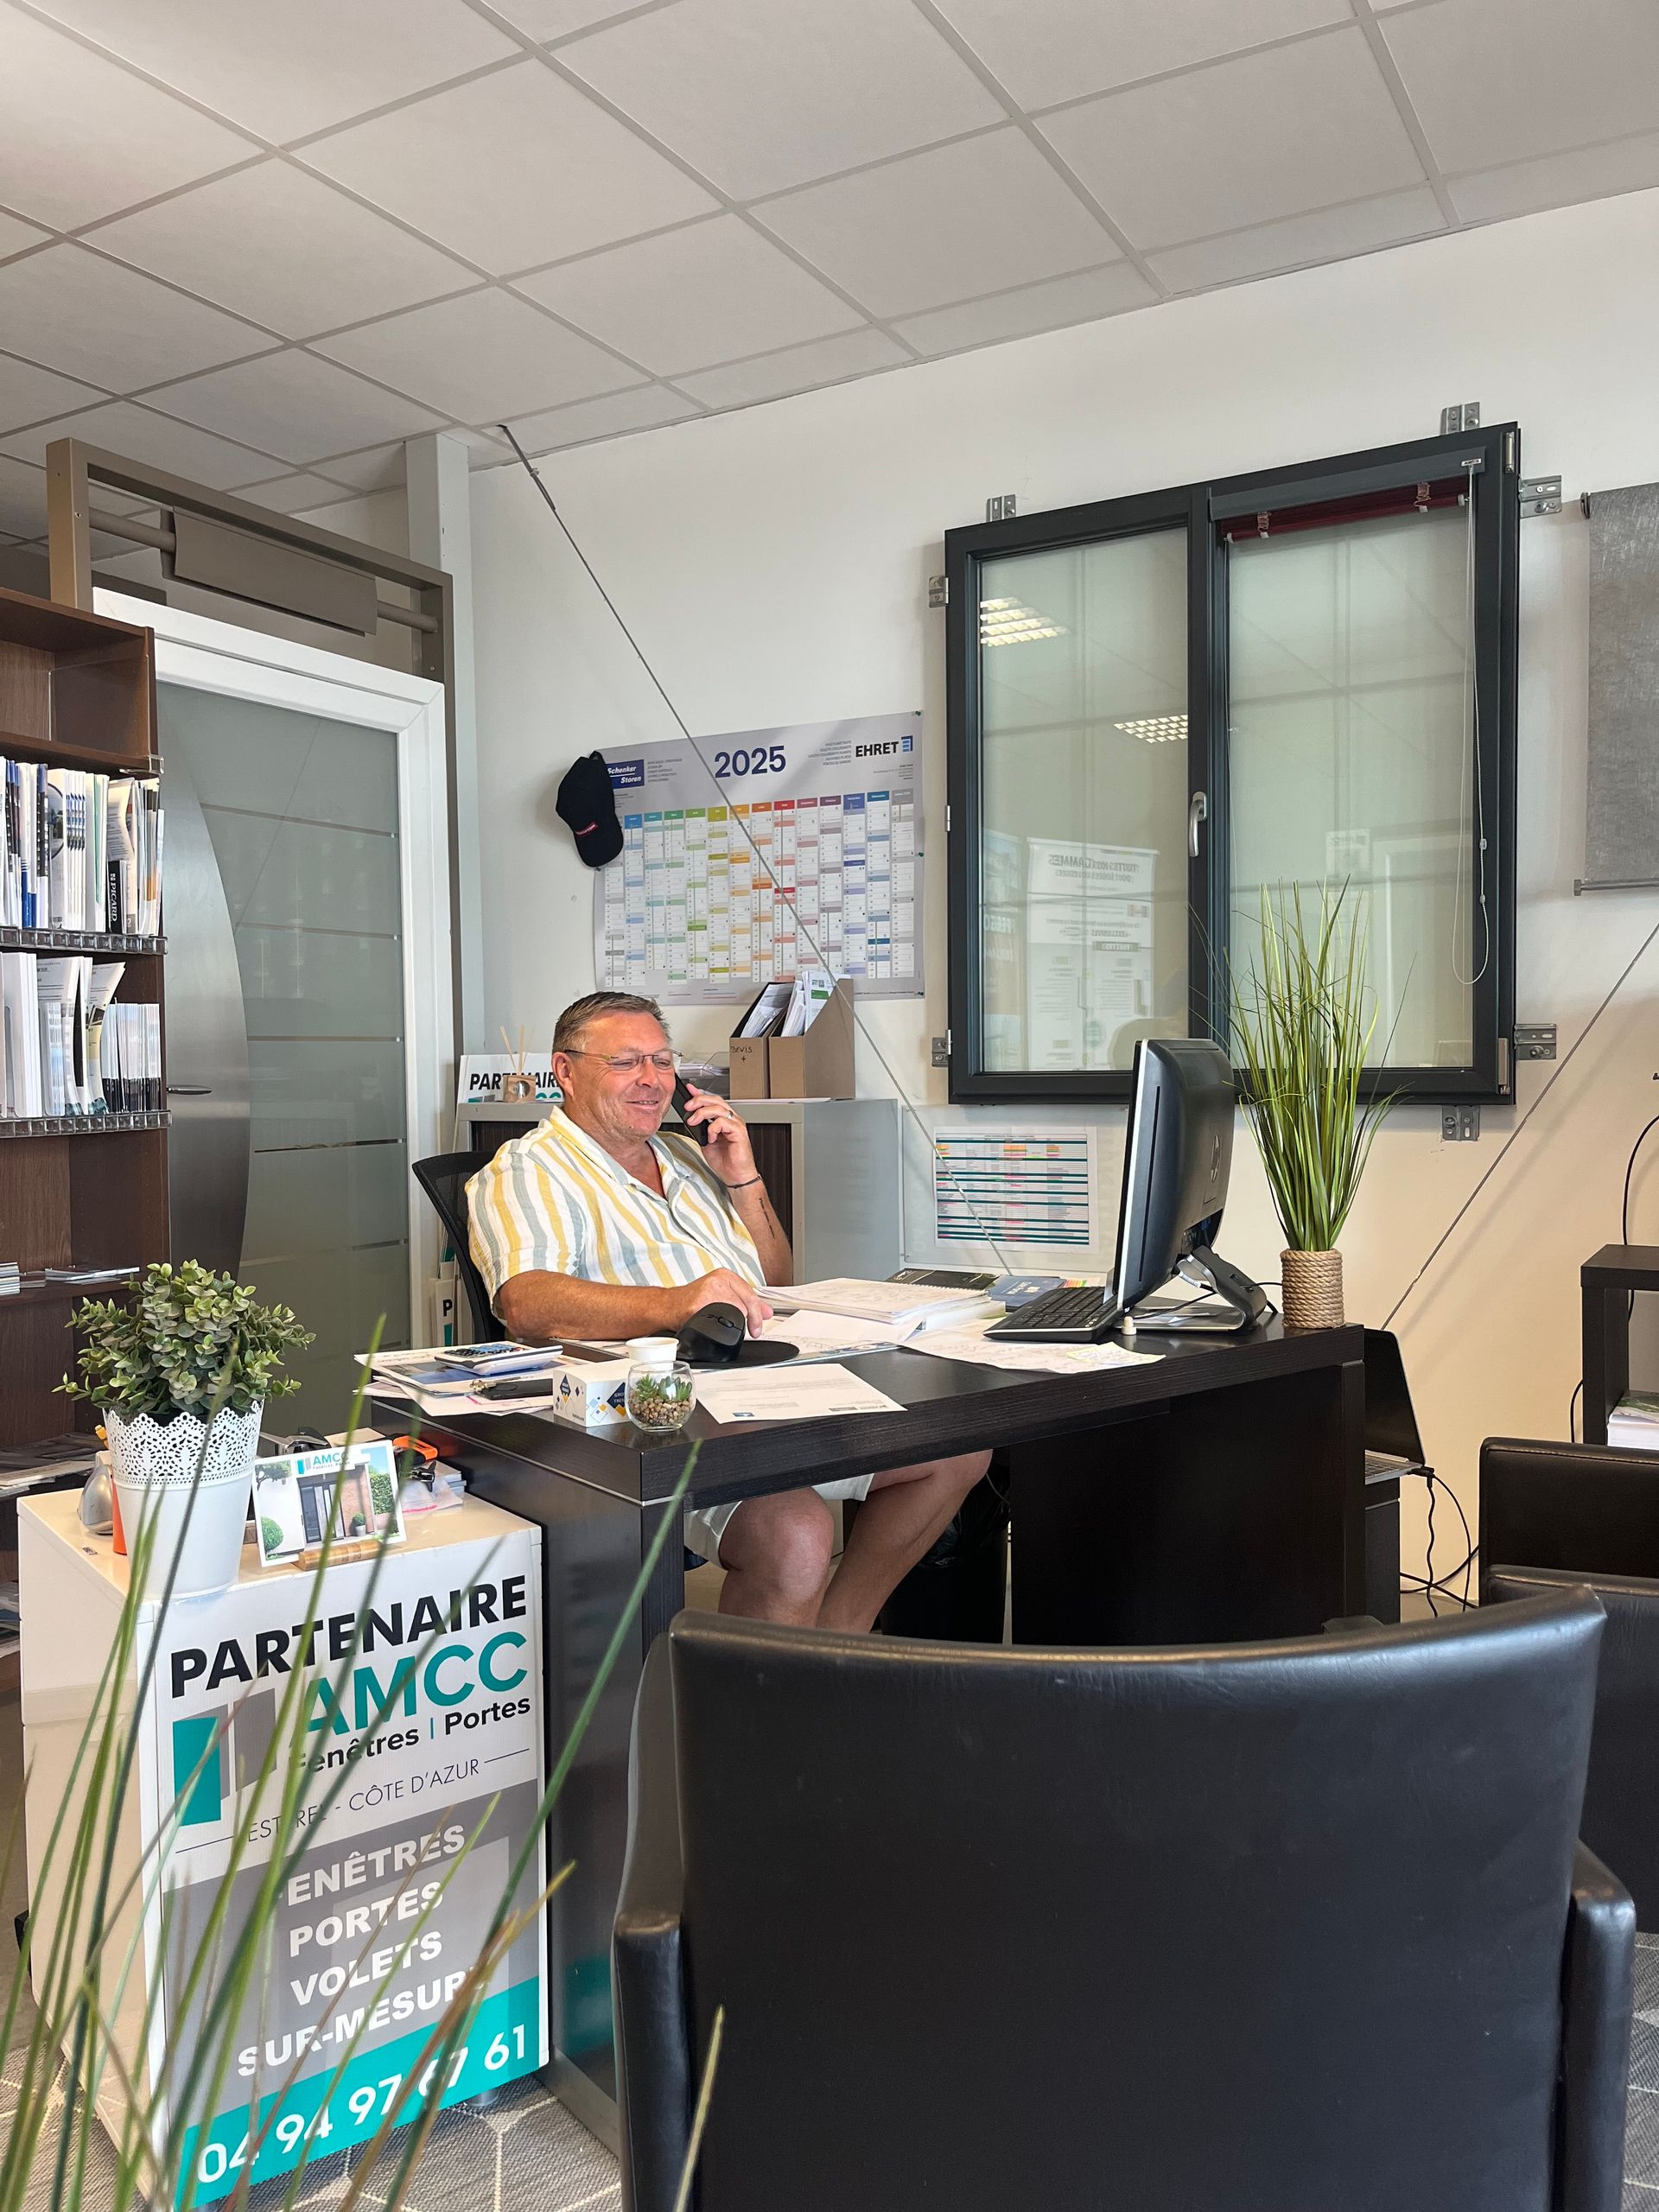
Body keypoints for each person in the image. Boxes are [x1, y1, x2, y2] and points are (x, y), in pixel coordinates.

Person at [467, 990, 989, 1630]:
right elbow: (525, 1303)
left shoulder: (687, 1156)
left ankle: (840, 1636)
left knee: (958, 1451)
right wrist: (677, 1302)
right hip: (651, 1420)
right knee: (797, 1532)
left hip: (761, 1389)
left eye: (663, 1061)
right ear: (565, 1071)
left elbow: (775, 1281)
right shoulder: (529, 1170)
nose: (652, 1079)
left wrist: (742, 1176)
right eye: (626, 1062)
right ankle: (759, 1690)